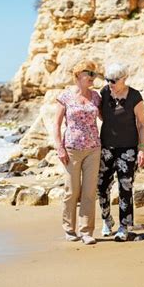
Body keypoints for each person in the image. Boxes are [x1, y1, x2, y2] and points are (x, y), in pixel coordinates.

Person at [97, 63, 144, 242]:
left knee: (125, 186)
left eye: (113, 80)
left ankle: (123, 226)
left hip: (128, 148)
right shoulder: (104, 93)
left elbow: (142, 124)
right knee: (102, 186)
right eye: (107, 79)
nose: (109, 83)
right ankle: (106, 220)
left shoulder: (135, 96)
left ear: (124, 79)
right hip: (106, 147)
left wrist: (142, 149)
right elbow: (102, 115)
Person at [54, 60, 101, 245]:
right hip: (71, 150)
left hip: (93, 149)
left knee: (89, 192)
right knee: (71, 191)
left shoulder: (96, 97)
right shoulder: (65, 97)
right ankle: (69, 229)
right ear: (77, 75)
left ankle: (87, 231)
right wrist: (59, 147)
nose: (92, 77)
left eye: (94, 73)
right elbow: (56, 125)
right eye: (88, 73)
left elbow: (108, 117)